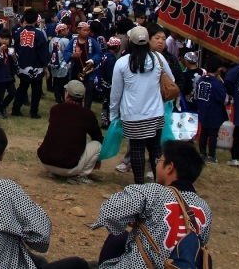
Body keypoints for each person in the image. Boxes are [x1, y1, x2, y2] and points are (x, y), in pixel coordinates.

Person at [0, 120, 87, 269]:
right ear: (1, 156)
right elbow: (41, 238)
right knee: (78, 264)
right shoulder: (8, 189)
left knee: (38, 260)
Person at [90, 140, 212, 268]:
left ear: (169, 167)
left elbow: (109, 212)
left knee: (118, 238)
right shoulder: (204, 208)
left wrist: (130, 220)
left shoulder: (152, 192)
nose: (156, 164)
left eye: (159, 160)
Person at [109, 26, 164, 185]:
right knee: (155, 149)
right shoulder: (158, 59)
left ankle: (139, 184)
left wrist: (113, 114)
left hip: (133, 113)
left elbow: (116, 92)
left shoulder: (122, 63)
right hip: (156, 113)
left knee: (137, 148)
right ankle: (159, 182)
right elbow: (171, 79)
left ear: (130, 43)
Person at [38, 79, 103, 185]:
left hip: (46, 163)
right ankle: (80, 175)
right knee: (97, 145)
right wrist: (97, 159)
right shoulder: (87, 114)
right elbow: (98, 138)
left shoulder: (55, 109)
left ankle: (56, 173)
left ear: (67, 93)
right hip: (69, 167)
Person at [12, 9, 49, 118]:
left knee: (22, 88)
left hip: (23, 65)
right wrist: (45, 67)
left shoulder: (19, 32)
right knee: (36, 90)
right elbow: (43, 52)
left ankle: (16, 109)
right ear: (36, 21)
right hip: (36, 67)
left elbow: (14, 49)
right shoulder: (39, 34)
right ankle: (33, 112)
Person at [195, 56, 228, 164]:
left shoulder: (201, 80)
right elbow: (223, 99)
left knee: (204, 133)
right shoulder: (217, 83)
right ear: (219, 69)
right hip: (214, 112)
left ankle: (202, 153)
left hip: (203, 110)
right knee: (213, 134)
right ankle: (211, 155)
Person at [0, 29, 18, 119]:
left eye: (6, 39)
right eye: (2, 38)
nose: (4, 41)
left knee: (13, 92)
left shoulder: (10, 49)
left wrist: (13, 57)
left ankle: (3, 106)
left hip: (8, 75)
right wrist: (0, 50)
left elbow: (14, 62)